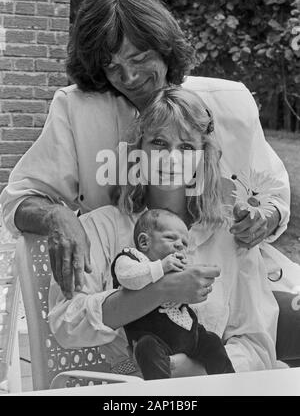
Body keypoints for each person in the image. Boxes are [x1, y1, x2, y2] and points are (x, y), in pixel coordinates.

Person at [0, 0, 299, 368]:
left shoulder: (230, 103)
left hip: (235, 271)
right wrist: (57, 215)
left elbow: (273, 196)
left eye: (140, 59)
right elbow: (19, 199)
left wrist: (262, 217)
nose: (128, 77)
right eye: (112, 66)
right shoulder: (77, 112)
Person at [48, 86, 283, 375]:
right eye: (159, 143)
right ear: (138, 151)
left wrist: (191, 369)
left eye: (186, 147)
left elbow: (257, 345)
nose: (171, 159)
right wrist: (162, 290)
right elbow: (66, 323)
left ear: (202, 158)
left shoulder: (230, 235)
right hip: (129, 392)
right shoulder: (100, 228)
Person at [112, 208, 235, 379]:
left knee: (212, 341)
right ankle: (162, 393)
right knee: (146, 348)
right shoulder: (131, 259)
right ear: (144, 242)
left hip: (189, 336)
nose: (179, 245)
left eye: (184, 243)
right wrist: (161, 267)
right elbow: (128, 278)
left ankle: (228, 384)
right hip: (153, 338)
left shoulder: (176, 267)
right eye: (170, 237)